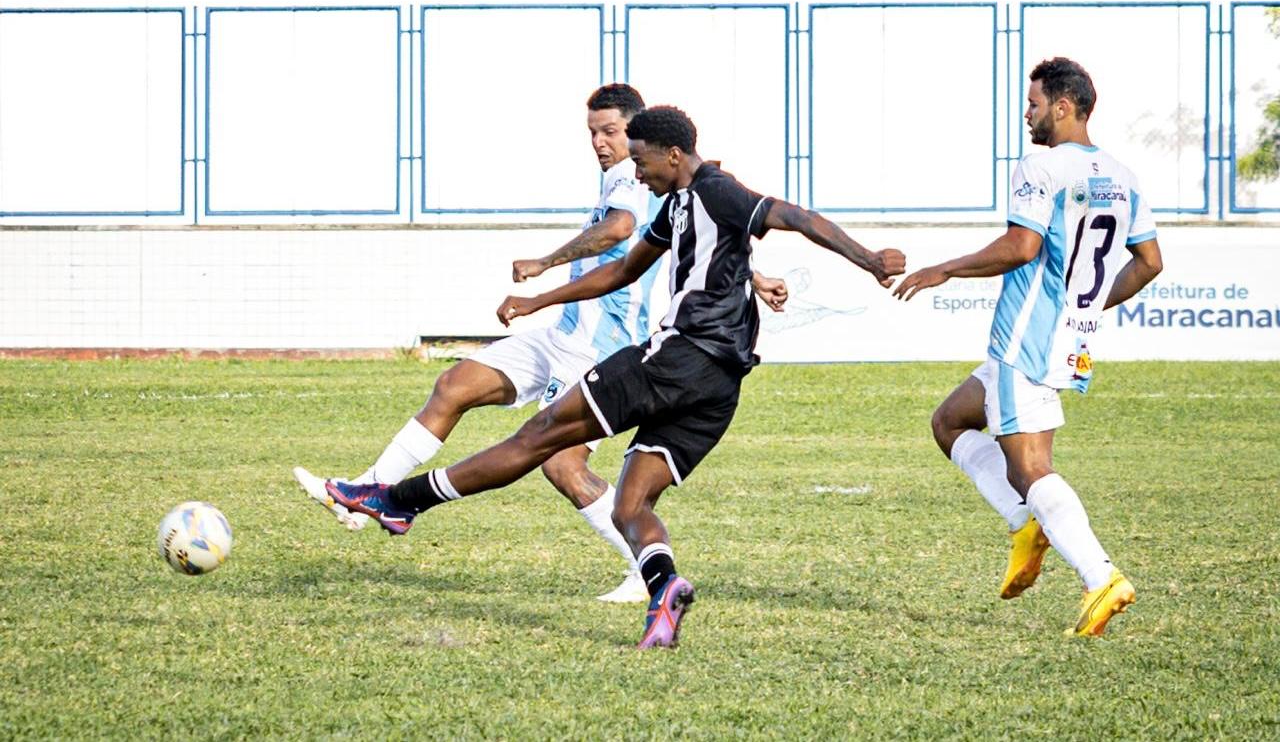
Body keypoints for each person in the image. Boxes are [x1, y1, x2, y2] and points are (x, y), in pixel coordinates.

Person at [325, 105, 906, 649]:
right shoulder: (675, 207)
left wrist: (869, 260)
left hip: (677, 360)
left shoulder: (715, 190)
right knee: (631, 505)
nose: (637, 171)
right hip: (718, 390)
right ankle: (664, 589)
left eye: (642, 161)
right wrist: (541, 299)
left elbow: (795, 216)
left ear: (673, 155)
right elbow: (625, 270)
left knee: (542, 438)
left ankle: (399, 501)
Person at [293, 84, 788, 605]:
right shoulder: (653, 183)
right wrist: (754, 277)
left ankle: (641, 570)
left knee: (561, 465)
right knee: (456, 385)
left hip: (601, 344)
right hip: (563, 333)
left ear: (642, 136)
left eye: (611, 132)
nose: (600, 143)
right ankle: (368, 493)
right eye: (593, 133)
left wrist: (545, 263)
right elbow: (699, 242)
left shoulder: (638, 176)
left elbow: (624, 230)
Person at [893, 57, 1163, 636]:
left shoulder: (1041, 166)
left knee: (1031, 468)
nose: (1027, 114)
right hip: (1063, 339)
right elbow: (1149, 263)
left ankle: (1101, 577)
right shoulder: (1124, 176)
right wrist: (1083, 307)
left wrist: (945, 268)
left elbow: (1021, 247)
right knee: (949, 422)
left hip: (1027, 340)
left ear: (1063, 107)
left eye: (1034, 104)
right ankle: (1026, 523)